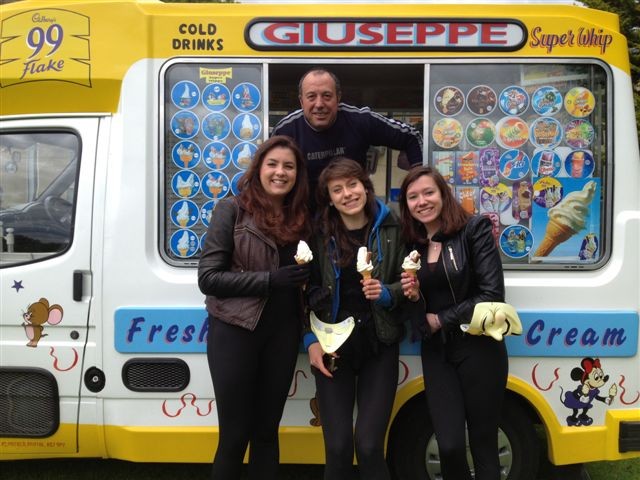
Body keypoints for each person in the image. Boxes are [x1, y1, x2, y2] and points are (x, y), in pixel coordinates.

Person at [198, 135, 311, 480]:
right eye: (273, 164)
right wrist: (269, 280)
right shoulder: (231, 210)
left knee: (266, 434)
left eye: (288, 166)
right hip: (235, 332)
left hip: (283, 333)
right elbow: (209, 278)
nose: (280, 172)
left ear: (297, 174)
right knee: (234, 437)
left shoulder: (303, 218)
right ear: (259, 168)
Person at [398, 165, 508, 480]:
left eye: (428, 193)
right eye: (413, 197)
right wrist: (415, 298)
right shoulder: (412, 245)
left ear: (443, 194)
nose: (422, 202)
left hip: (479, 347)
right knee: (448, 445)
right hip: (437, 354)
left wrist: (440, 319)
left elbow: (491, 294)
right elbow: (414, 309)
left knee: (484, 443)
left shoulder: (474, 230)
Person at [305, 157, 410, 480]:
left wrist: (388, 292)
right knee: (337, 448)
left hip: (379, 344)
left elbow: (411, 285)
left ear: (365, 186)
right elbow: (302, 292)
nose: (347, 194)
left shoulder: (393, 227)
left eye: (352, 184)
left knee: (367, 446)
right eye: (337, 189)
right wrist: (310, 341)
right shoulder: (317, 234)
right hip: (332, 349)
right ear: (329, 197)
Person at [271, 67, 423, 207]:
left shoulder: (359, 120)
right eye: (311, 97)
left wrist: (419, 182)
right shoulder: (286, 130)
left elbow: (411, 136)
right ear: (301, 101)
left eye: (327, 96)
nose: (319, 104)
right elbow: (268, 172)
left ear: (338, 97)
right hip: (305, 217)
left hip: (354, 213)